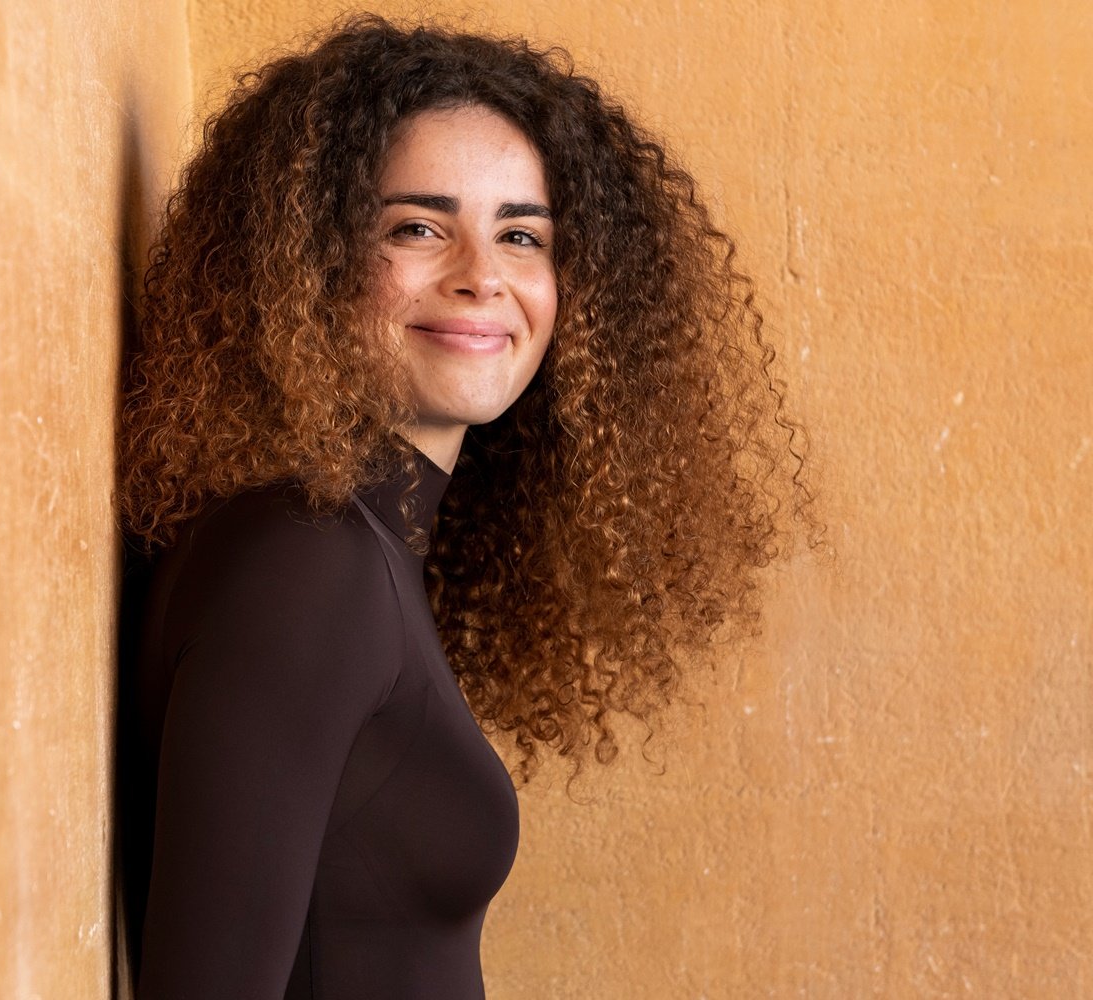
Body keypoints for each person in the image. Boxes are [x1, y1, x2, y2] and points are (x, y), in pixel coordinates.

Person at [112, 12, 824, 1000]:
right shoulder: (304, 562)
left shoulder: (363, 548)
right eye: (417, 227)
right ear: (307, 262)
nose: (483, 275)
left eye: (521, 235)